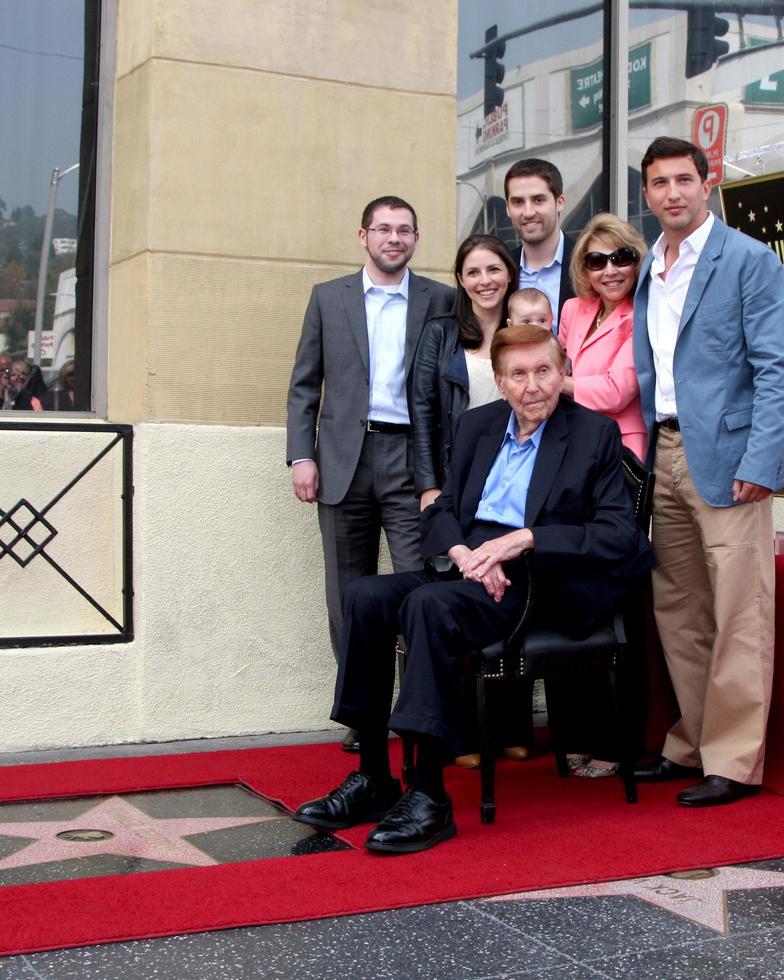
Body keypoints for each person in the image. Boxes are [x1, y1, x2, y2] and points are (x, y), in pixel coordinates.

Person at [294, 326, 654, 853]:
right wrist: (463, 554)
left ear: (563, 371)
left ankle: (429, 796)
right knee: (365, 596)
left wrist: (523, 541)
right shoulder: (477, 426)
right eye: (518, 375)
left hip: (534, 578)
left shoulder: (592, 434)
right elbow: (442, 508)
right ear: (500, 382)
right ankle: (373, 775)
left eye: (544, 371)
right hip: (467, 567)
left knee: (427, 605)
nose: (533, 386)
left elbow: (618, 534)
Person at [632, 136, 784, 807]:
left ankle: (733, 759)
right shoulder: (648, 267)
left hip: (730, 460)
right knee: (679, 609)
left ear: (707, 182)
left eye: (683, 180)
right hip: (663, 452)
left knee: (740, 610)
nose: (672, 193)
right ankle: (690, 742)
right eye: (659, 183)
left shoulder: (748, 260)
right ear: (646, 193)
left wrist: (763, 461)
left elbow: (776, 368)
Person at [286, 195, 454, 753]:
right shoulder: (328, 299)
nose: (394, 239)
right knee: (348, 594)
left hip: (412, 459)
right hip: (342, 461)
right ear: (363, 236)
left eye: (405, 230)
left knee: (419, 587)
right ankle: (366, 717)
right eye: (383, 229)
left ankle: (417, 712)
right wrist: (301, 455)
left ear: (416, 239)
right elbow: (305, 386)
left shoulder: (440, 300)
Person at [411, 234, 524, 768]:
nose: (485, 280)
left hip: (512, 485)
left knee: (511, 595)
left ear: (509, 273)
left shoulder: (523, 331)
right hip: (458, 487)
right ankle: (466, 734)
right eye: (474, 271)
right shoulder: (440, 335)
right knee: (459, 596)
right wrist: (429, 486)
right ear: (460, 279)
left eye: (494, 269)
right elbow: (424, 413)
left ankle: (511, 728)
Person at [560, 213, 648, 462]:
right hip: (572, 435)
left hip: (620, 443)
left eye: (621, 258)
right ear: (585, 270)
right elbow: (555, 362)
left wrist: (556, 383)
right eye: (597, 261)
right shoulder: (573, 308)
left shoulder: (642, 317)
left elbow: (616, 392)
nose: (610, 271)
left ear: (636, 262)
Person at [504, 158, 575, 331]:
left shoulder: (588, 264)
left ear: (560, 202)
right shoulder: (501, 271)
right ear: (507, 208)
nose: (528, 212)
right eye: (518, 202)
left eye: (538, 200)